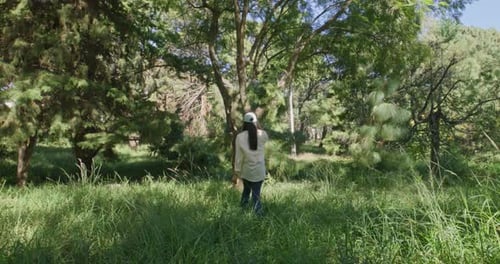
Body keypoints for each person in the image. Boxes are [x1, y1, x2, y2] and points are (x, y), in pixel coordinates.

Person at [234, 111, 269, 215]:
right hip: (259, 170)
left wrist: (237, 171)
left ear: (244, 123)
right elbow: (260, 134)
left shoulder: (240, 137)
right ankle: (258, 216)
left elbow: (238, 156)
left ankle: (242, 212)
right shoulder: (263, 135)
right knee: (256, 195)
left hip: (247, 171)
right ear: (256, 122)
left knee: (246, 191)